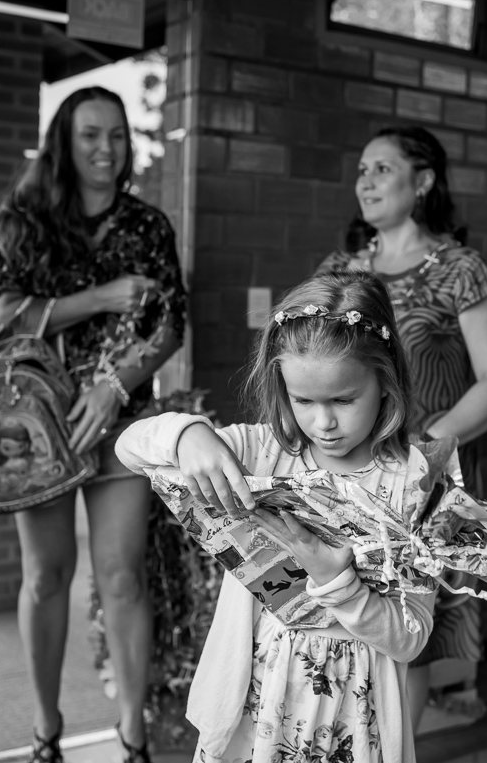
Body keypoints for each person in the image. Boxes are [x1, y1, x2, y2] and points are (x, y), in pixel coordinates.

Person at [115, 270, 434, 763]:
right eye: (303, 400)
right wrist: (188, 434)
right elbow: (130, 446)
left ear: (386, 380)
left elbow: (411, 638)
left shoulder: (412, 481)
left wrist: (337, 581)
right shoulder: (262, 450)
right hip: (254, 701)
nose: (322, 423)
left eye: (344, 400)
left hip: (354, 713)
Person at [0, 86, 187, 763]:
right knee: (46, 574)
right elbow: (3, 316)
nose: (107, 149)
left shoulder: (149, 226)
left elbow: (169, 323)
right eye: (91, 136)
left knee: (122, 576)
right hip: (34, 427)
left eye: (118, 135)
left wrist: (114, 384)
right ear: (63, 145)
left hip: (121, 422)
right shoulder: (24, 219)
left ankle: (133, 735)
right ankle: (46, 730)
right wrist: (100, 297)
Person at [317, 125, 487, 728]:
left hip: (427, 471)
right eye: (361, 170)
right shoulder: (339, 271)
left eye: (382, 168)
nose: (366, 180)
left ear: (423, 180)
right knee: (347, 613)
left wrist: (431, 446)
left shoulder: (460, 268)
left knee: (409, 626)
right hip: (346, 469)